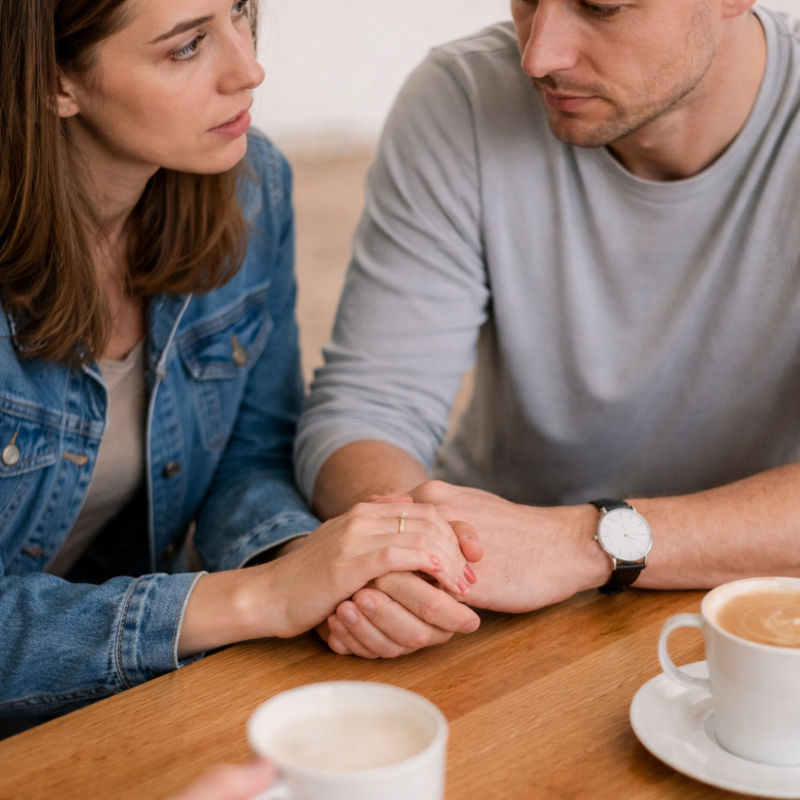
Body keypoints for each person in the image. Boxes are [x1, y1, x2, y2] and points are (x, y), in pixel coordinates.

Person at [0, 0, 479, 735]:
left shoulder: (251, 188)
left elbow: (250, 453)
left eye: (241, 13)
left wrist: (319, 561)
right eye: (187, 47)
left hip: (114, 694)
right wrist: (258, 598)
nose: (249, 69)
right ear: (54, 81)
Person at [295, 0, 800, 659]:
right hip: (490, 595)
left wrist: (583, 543)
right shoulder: (463, 100)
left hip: (757, 607)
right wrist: (411, 544)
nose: (539, 54)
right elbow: (367, 406)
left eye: (601, 7)